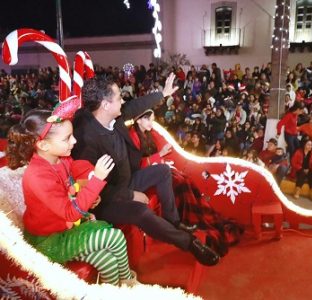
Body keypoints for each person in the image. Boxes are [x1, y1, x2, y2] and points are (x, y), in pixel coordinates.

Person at [71, 74, 219, 266]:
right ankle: (189, 243)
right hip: (107, 198)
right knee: (140, 211)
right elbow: (96, 188)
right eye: (118, 98)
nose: (123, 101)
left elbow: (134, 106)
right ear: (105, 105)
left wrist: (163, 94)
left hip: (127, 179)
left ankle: (173, 221)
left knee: (163, 171)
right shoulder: (86, 140)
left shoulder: (112, 116)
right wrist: (131, 195)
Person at [7, 109, 137, 286]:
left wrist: (88, 196)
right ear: (43, 145)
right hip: (49, 240)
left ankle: (115, 291)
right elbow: (69, 213)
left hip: (65, 228)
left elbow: (70, 189)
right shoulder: (37, 176)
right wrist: (96, 179)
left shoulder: (61, 159)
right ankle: (128, 282)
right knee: (115, 238)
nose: (74, 141)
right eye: (67, 138)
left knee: (107, 260)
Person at [128, 109, 244, 256]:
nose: (152, 123)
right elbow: (138, 165)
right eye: (149, 120)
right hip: (143, 176)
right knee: (178, 182)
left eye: (153, 119)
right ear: (139, 120)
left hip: (154, 170)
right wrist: (161, 155)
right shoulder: (132, 136)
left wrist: (160, 158)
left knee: (185, 179)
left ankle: (187, 217)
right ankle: (179, 220)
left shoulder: (147, 135)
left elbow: (153, 159)